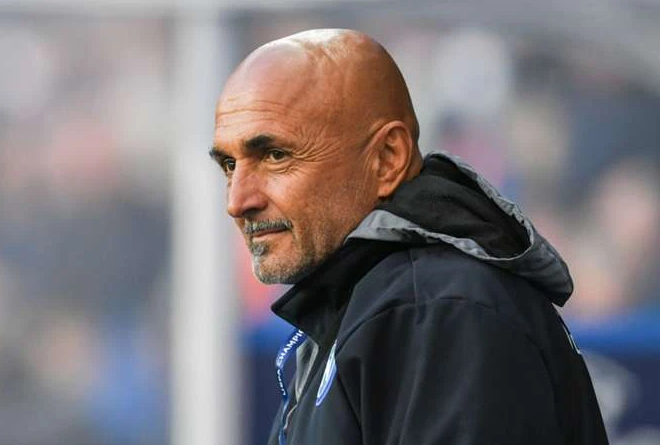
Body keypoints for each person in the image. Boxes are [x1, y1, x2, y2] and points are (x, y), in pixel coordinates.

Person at [210, 29, 608, 445]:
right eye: (229, 165)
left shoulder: (436, 308)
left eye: (276, 156)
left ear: (387, 159)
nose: (238, 201)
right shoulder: (376, 304)